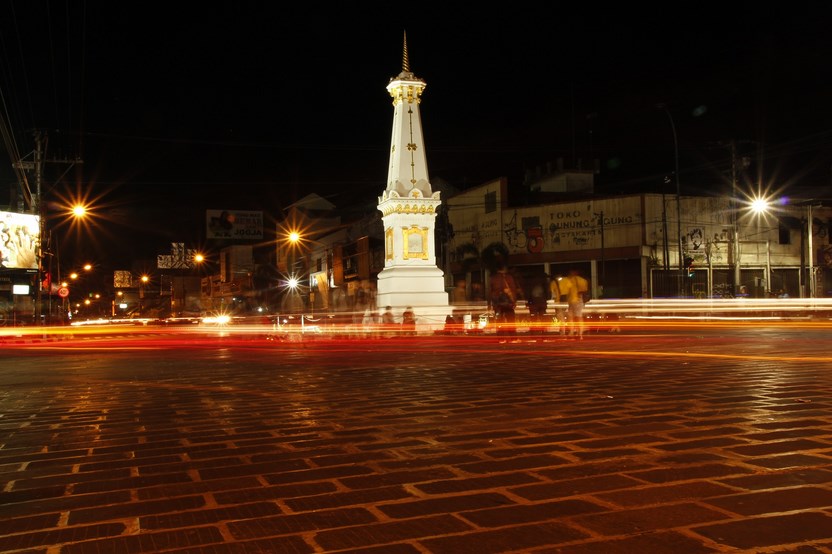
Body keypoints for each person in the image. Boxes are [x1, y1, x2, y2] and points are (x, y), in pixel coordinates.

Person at [490, 265, 521, 335]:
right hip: (508, 302)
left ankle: (500, 337)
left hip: (497, 303)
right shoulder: (508, 277)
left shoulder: (493, 278)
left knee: (499, 321)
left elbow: (490, 291)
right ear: (504, 268)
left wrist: (492, 303)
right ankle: (513, 337)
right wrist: (514, 301)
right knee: (511, 320)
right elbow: (513, 290)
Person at [559, 268, 589, 339]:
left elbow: (565, 290)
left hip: (573, 301)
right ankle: (579, 333)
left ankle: (573, 332)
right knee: (578, 317)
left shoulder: (569, 280)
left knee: (572, 317)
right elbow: (585, 290)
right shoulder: (582, 280)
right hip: (578, 301)